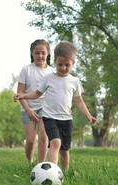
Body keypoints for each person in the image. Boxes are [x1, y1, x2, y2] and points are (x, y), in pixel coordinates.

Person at [14, 41, 98, 171]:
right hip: (48, 115)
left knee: (64, 149)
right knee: (53, 142)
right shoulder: (46, 77)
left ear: (73, 63)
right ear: (55, 61)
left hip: (65, 119)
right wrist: (23, 96)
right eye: (60, 65)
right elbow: (37, 93)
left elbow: (79, 101)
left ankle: (64, 173)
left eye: (67, 65)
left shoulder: (74, 81)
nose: (63, 68)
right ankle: (49, 171)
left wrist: (88, 115)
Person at [17, 39, 54, 166]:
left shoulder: (52, 72)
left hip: (45, 108)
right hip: (27, 107)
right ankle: (30, 162)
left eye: (43, 53)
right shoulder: (26, 70)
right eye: (37, 53)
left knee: (44, 137)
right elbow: (20, 93)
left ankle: (41, 165)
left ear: (48, 54)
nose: (40, 56)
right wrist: (28, 111)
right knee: (31, 140)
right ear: (32, 54)